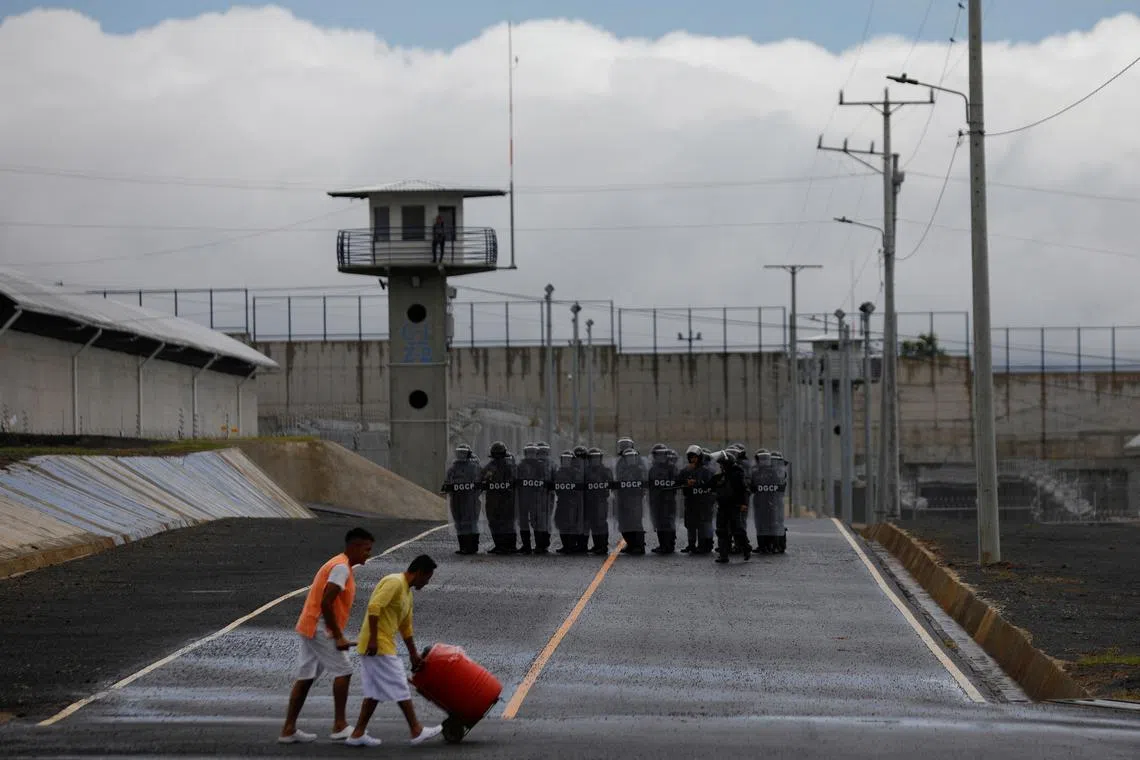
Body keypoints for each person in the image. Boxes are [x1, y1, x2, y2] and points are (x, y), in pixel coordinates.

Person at [279, 528, 375, 744]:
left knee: (306, 677)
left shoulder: (340, 564)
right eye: (367, 549)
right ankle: (339, 725)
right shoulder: (341, 568)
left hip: (310, 623)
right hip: (319, 625)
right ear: (354, 547)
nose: (368, 554)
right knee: (344, 671)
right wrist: (338, 636)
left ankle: (288, 729)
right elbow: (326, 602)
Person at [346, 555, 443, 747]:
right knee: (400, 683)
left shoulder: (407, 593)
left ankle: (357, 734)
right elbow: (375, 607)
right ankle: (416, 730)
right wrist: (373, 639)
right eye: (427, 578)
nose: (427, 582)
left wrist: (413, 654)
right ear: (419, 572)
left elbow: (406, 628)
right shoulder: (395, 582)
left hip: (382, 644)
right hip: (377, 645)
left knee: (374, 692)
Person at [710, 451, 751, 564]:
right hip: (722, 506)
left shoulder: (737, 475)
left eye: (722, 464)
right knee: (721, 531)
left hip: (735, 506)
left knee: (738, 530)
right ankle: (723, 555)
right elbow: (710, 485)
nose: (721, 466)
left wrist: (744, 504)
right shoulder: (720, 476)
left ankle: (746, 548)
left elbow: (744, 490)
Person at [442, 444, 480, 555]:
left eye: (463, 453)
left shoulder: (474, 468)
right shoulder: (453, 469)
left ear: (468, 454)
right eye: (460, 453)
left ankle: (472, 547)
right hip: (457, 499)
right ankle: (464, 547)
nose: (461, 455)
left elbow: (480, 483)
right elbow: (446, 483)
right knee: (459, 522)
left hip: (470, 500)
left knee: (470, 522)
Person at [481, 441, 518, 554]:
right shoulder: (493, 466)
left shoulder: (509, 466)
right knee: (501, 522)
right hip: (500, 499)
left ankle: (506, 546)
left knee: (502, 522)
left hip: (502, 499)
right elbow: (481, 478)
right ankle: (505, 546)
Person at [584, 448, 613, 555]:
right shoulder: (586, 471)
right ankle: (597, 545)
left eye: (597, 458)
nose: (595, 460)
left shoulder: (605, 470)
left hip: (601, 501)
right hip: (590, 500)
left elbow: (611, 483)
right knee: (593, 523)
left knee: (601, 522)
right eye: (593, 458)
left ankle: (603, 545)